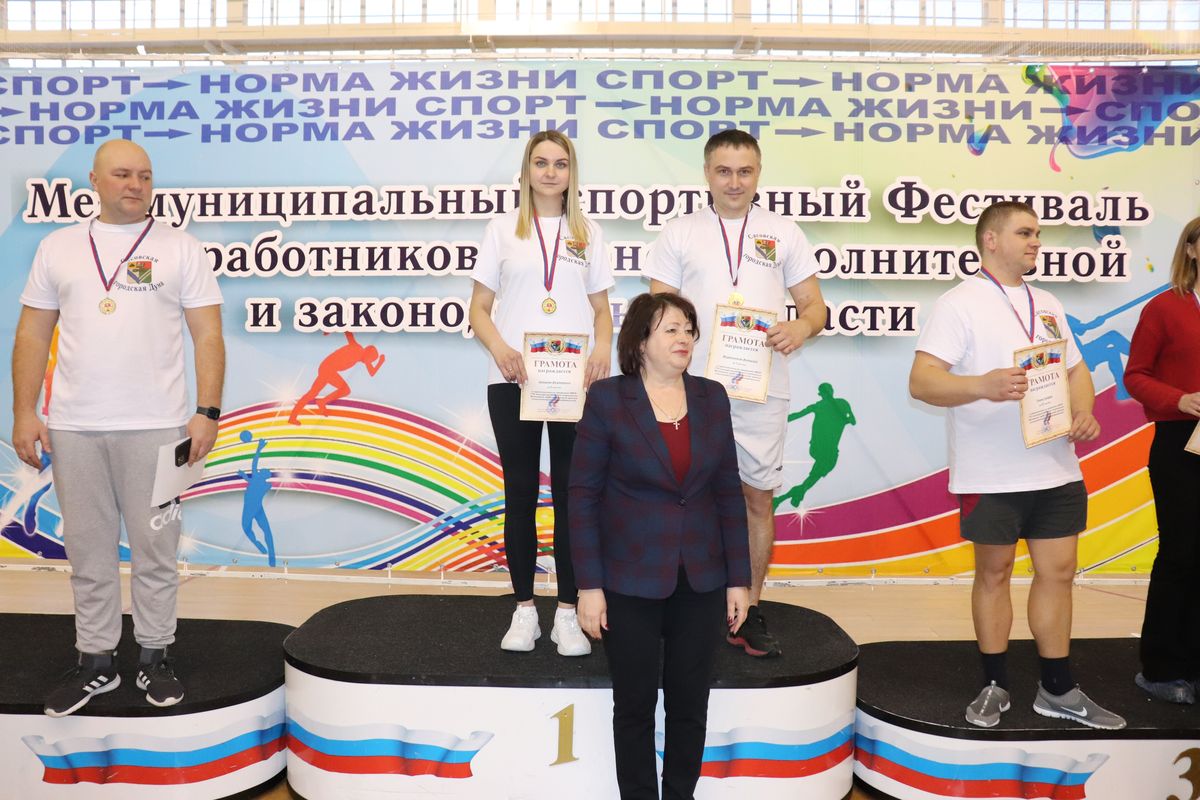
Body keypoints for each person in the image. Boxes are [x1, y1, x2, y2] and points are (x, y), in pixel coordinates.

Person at [11, 139, 225, 716]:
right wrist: (25, 412)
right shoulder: (57, 247)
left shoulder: (181, 248)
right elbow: (32, 333)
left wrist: (207, 411)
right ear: (95, 180)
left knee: (156, 548)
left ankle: (155, 655)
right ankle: (96, 661)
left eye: (145, 176)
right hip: (74, 427)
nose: (136, 185)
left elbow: (208, 334)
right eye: (124, 174)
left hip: (159, 427)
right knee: (88, 551)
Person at [908, 200, 1124, 730]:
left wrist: (1084, 411)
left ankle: (1058, 689)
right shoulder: (958, 304)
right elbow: (922, 381)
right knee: (995, 573)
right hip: (990, 472)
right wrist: (983, 385)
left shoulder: (1046, 301)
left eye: (1038, 234)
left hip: (1056, 468)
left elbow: (1075, 370)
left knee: (1059, 574)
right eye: (1025, 233)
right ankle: (994, 684)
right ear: (991, 240)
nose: (1036, 242)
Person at [644, 129, 825, 657]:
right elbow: (658, 315)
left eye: (745, 171)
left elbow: (815, 307)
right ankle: (677, 603)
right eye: (723, 171)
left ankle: (750, 610)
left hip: (761, 390)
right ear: (707, 174)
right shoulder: (679, 233)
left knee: (757, 498)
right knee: (678, 496)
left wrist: (802, 327)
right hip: (688, 391)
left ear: (758, 174)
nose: (734, 182)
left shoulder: (783, 232)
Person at [571, 292, 751, 800]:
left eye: (689, 329)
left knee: (690, 705)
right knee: (634, 706)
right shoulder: (608, 399)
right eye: (671, 329)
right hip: (628, 579)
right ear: (640, 341)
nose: (684, 338)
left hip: (702, 577)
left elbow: (727, 491)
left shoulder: (713, 397)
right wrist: (589, 586)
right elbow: (582, 498)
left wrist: (739, 579)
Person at [468, 130, 614, 656]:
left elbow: (602, 311)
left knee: (576, 497)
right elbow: (478, 308)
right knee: (521, 494)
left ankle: (568, 614)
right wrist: (501, 349)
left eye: (560, 163)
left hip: (575, 383)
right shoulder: (502, 229)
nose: (550, 172)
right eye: (541, 162)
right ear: (526, 170)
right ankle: (525, 610)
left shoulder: (589, 233)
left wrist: (602, 350)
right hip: (515, 380)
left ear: (572, 173)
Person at [1125, 216, 1200, 704]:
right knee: (1181, 554)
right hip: (1180, 443)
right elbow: (1136, 375)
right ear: (1191, 249)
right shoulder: (1164, 308)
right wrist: (1180, 399)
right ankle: (1162, 669)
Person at [775, 382, 856, 509]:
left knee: (812, 478)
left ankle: (791, 496)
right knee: (814, 477)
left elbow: (852, 420)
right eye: (825, 392)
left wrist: (844, 415)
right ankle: (792, 496)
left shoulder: (841, 404)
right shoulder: (820, 406)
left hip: (828, 451)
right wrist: (778, 421)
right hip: (822, 449)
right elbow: (798, 415)